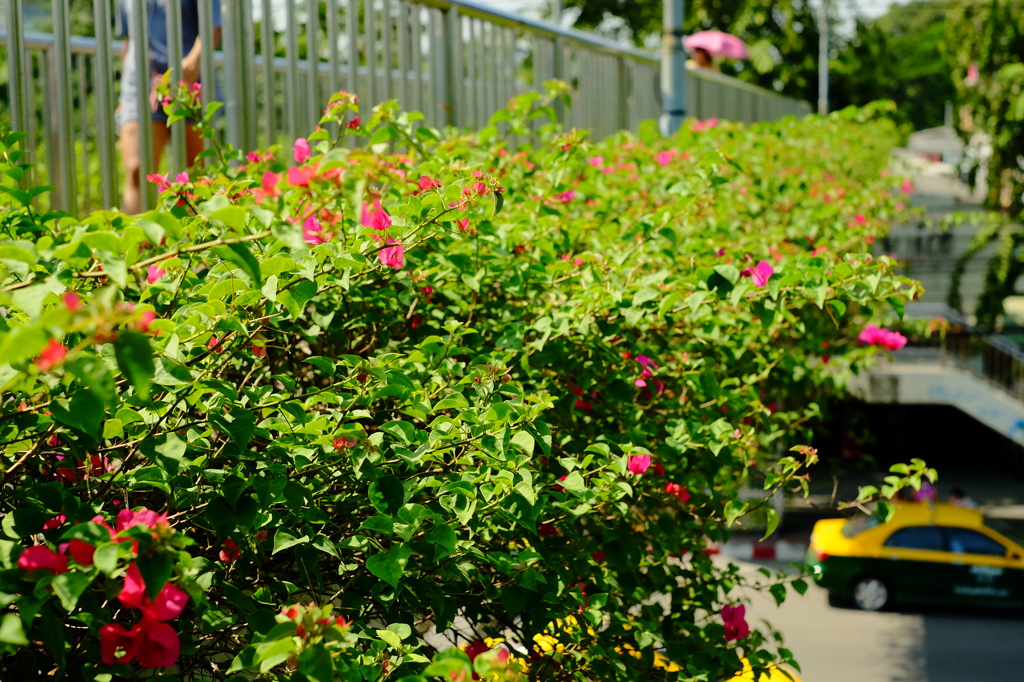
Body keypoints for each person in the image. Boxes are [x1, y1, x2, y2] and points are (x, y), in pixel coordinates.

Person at [116, 1, 221, 214]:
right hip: (139, 87)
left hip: (188, 85)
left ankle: (197, 241)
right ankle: (141, 243)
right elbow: (129, 40)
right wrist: (122, 98)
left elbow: (213, 27)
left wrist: (192, 64)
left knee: (196, 174)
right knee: (137, 171)